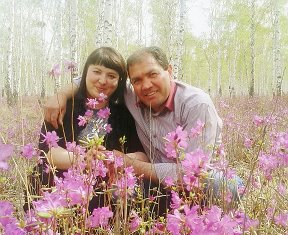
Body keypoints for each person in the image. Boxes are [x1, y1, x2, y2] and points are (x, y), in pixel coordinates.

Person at [44, 46, 242, 214]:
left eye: (153, 74)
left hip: (195, 182)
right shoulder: (132, 96)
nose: (146, 85)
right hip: (154, 181)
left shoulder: (197, 105)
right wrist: (61, 94)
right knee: (119, 192)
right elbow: (101, 80)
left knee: (228, 187)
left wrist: (127, 162)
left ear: (170, 71)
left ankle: (203, 217)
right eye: (137, 80)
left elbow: (194, 173)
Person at [24, 47, 147, 212]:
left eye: (111, 76)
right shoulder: (65, 107)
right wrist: (83, 159)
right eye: (97, 71)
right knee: (40, 175)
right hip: (64, 181)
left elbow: (142, 154)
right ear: (85, 74)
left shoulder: (125, 113)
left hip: (105, 183)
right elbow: (47, 151)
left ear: (119, 82)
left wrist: (116, 159)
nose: (102, 81)